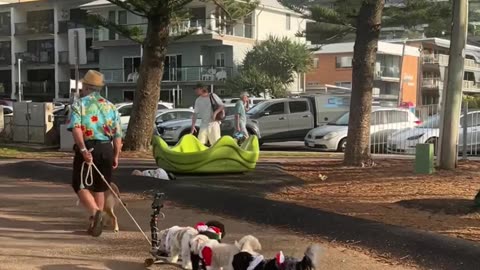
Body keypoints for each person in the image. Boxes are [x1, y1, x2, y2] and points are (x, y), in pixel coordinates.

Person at [67, 70, 122, 237]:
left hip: (89, 146)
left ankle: (95, 212)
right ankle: (95, 224)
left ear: (86, 86)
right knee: (100, 186)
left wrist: (83, 149)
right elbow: (118, 135)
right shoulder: (111, 106)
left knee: (80, 183)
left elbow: (76, 129)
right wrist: (116, 155)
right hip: (106, 148)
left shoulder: (79, 105)